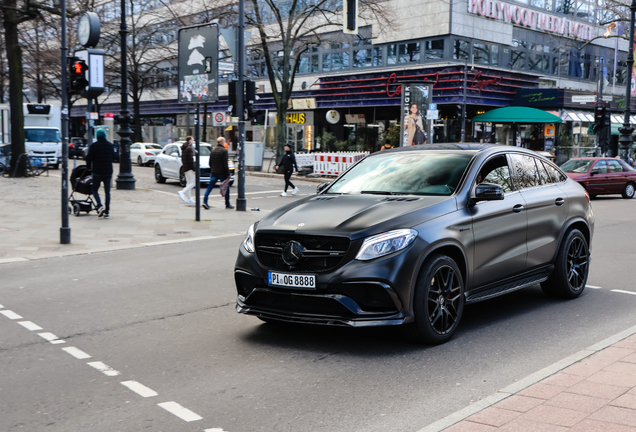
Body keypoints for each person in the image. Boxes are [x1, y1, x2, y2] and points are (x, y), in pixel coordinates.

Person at [85, 129, 114, 219]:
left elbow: (88, 158)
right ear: (105, 135)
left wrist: (89, 167)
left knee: (94, 190)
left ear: (97, 136)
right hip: (108, 172)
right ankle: (107, 212)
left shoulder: (94, 146)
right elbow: (112, 157)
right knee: (107, 192)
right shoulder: (110, 146)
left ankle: (100, 205)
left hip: (97, 172)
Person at [203, 137, 234, 209]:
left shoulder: (213, 150)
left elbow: (210, 162)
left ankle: (205, 201)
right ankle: (227, 203)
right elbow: (225, 164)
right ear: (223, 142)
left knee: (209, 187)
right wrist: (228, 174)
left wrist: (212, 169)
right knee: (226, 188)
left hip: (214, 172)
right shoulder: (224, 151)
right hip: (222, 173)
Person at [178, 136, 196, 204]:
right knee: (193, 182)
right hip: (189, 168)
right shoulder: (189, 148)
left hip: (185, 167)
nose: (193, 141)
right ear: (190, 141)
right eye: (192, 139)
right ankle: (183, 192)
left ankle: (188, 198)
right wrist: (193, 169)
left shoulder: (184, 148)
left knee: (189, 183)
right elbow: (190, 160)